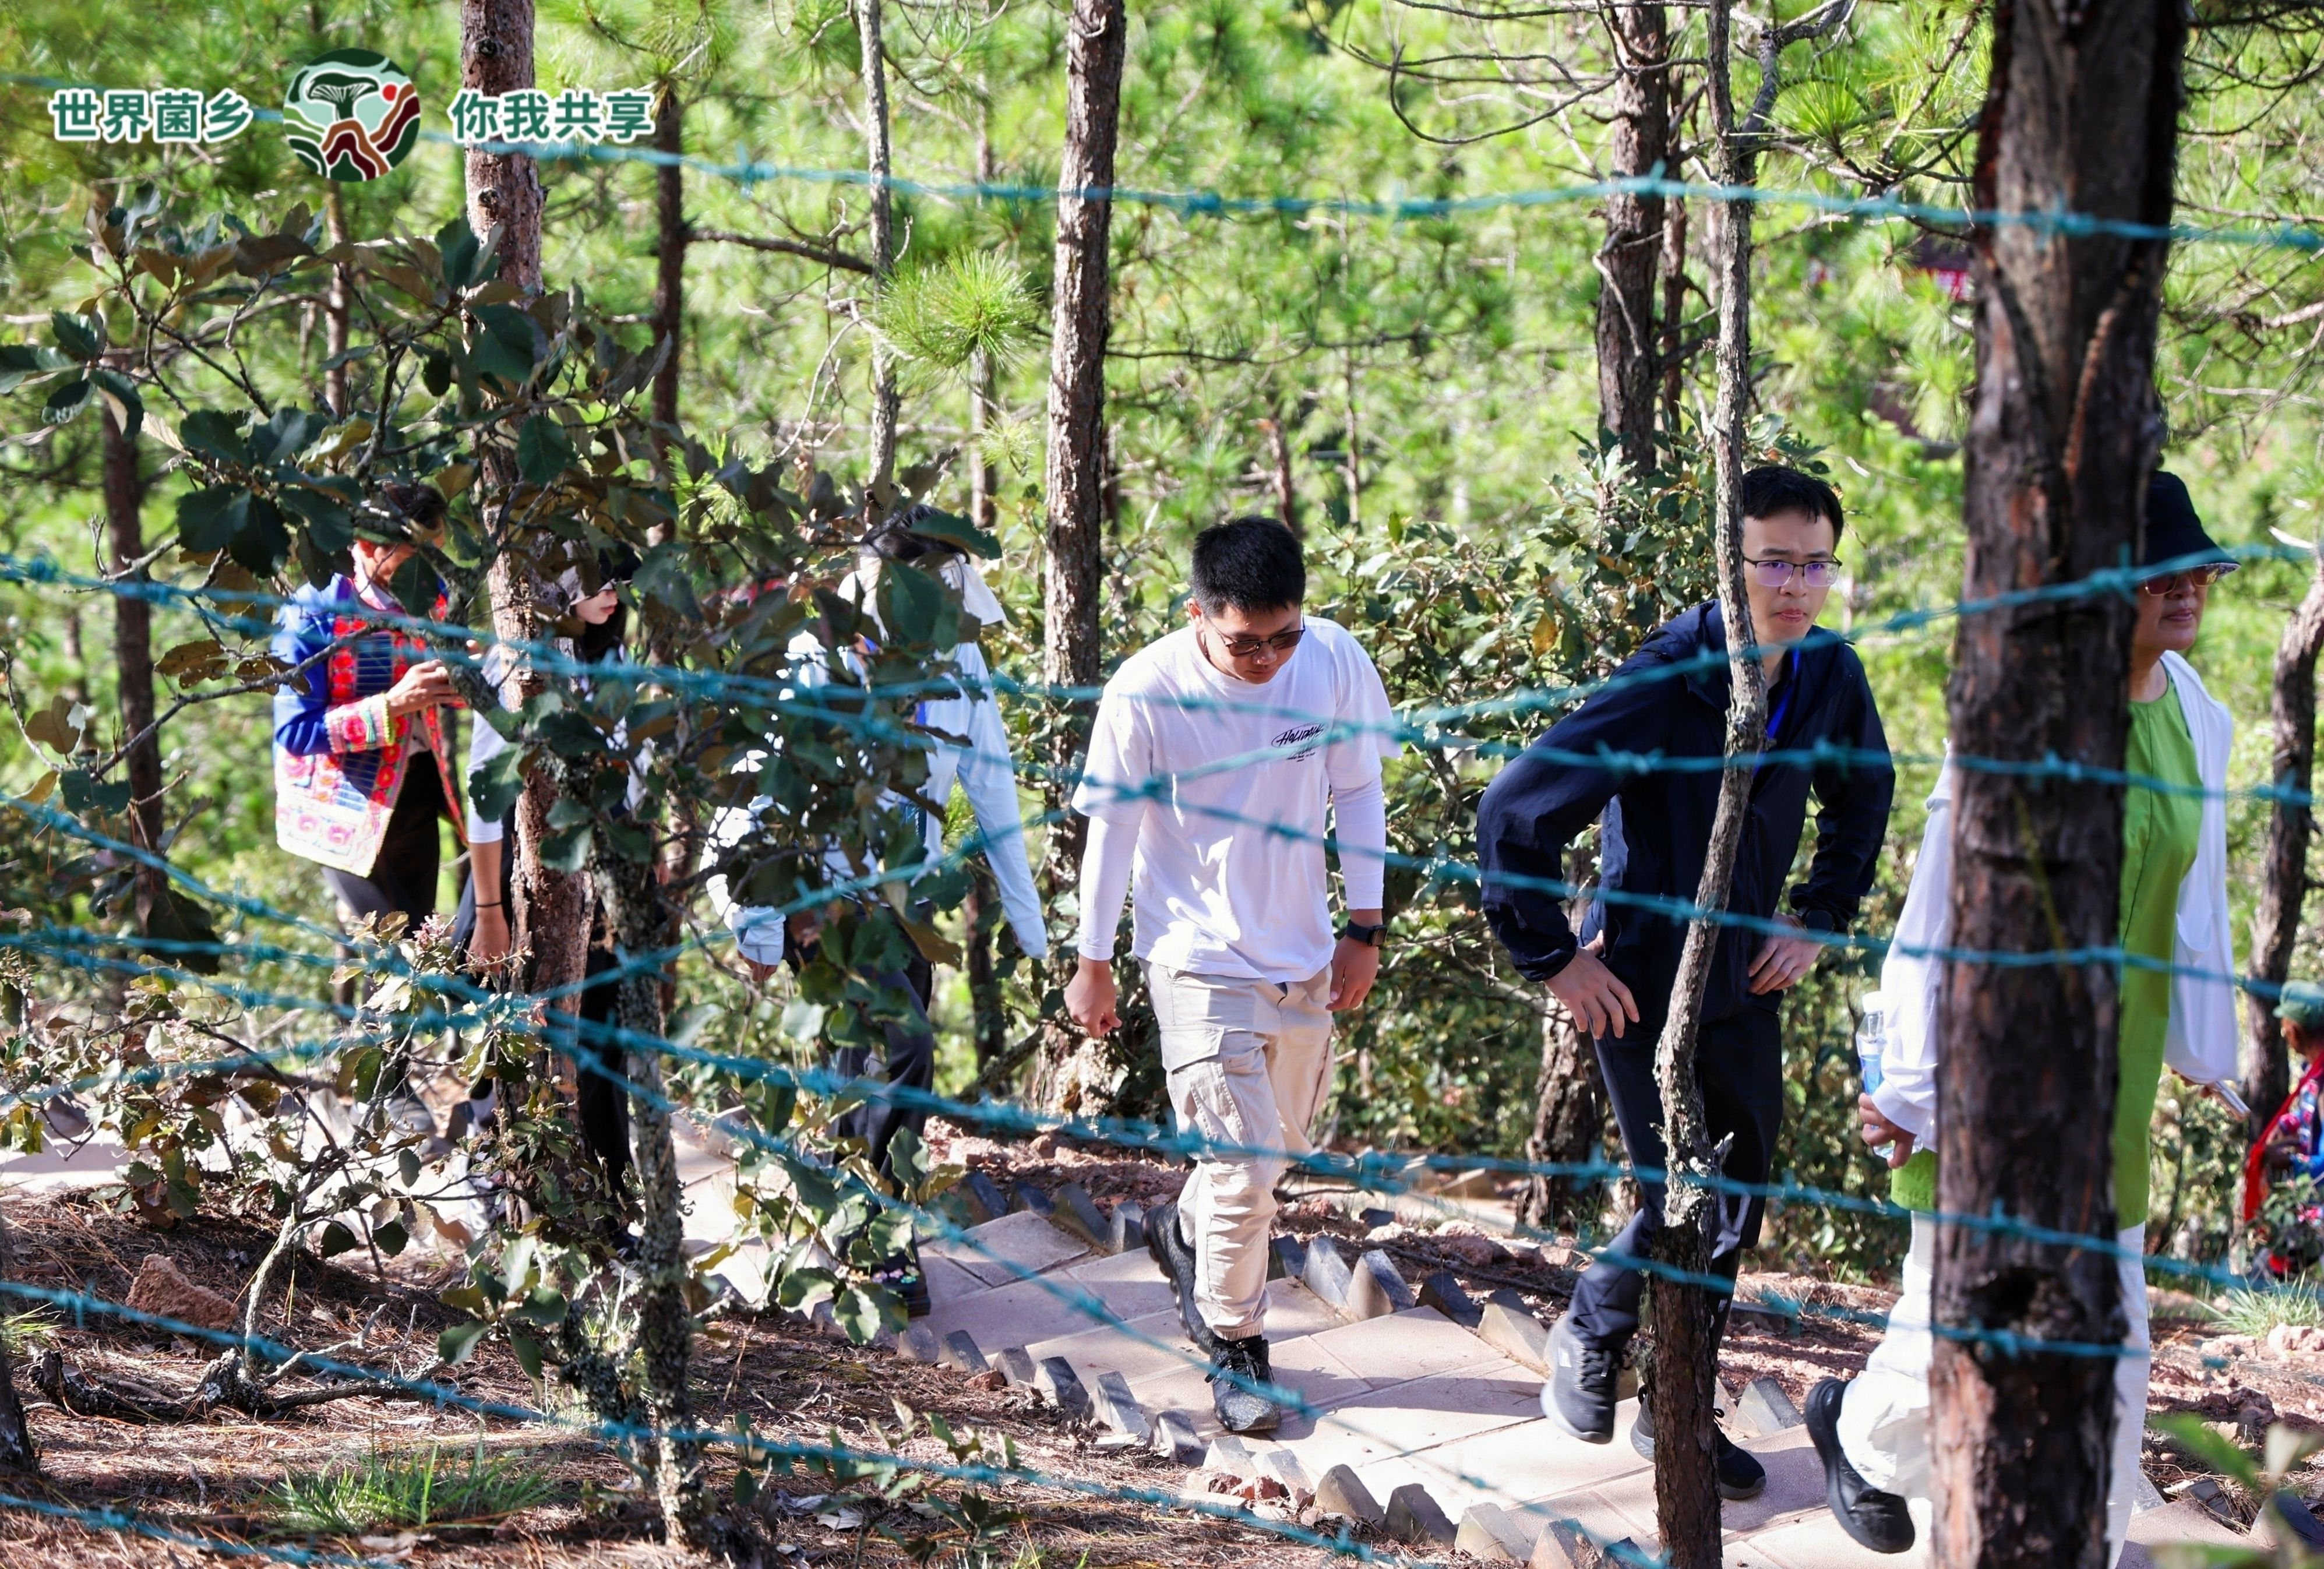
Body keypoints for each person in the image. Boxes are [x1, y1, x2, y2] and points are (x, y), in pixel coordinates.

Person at [1812, 470, 2242, 1560]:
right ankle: (1854, 1433)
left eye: (2198, 569)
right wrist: (1908, 1082)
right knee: (1946, 1338)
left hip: (2112, 1091)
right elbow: (1936, 903)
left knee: (2114, 1357)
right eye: (2160, 572)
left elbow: (2193, 901)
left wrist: (2204, 1045)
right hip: (1991, 1086)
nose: (2187, 588)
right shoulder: (2022, 718)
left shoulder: (2195, 717)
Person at [1475, 464, 1895, 1500]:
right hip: (1640, 977)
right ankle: (1617, 1354)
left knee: (1734, 1194)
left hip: (1745, 974)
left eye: (1814, 565)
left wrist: (1817, 917)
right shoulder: (1668, 676)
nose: (1794, 586)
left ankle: (1656, 1385)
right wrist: (1554, 957)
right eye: (1772, 562)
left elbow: (1863, 794)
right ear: (1728, 560)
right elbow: (1514, 811)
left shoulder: (1826, 673)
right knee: (1681, 1193)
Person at [1064, 516, 1397, 1434]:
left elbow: (1358, 790)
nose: (1267, 658)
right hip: (1194, 954)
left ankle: (1184, 1233)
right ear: (1198, 615)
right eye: (1246, 642)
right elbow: (1111, 833)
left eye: (1283, 636)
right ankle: (1235, 1343)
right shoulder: (1147, 690)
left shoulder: (1330, 660)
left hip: (1302, 952)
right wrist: (1094, 962)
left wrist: (1365, 928)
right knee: (1244, 1168)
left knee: (1270, 1154)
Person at [706, 507, 1048, 1311]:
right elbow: (752, 795)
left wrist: (1030, 922)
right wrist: (759, 924)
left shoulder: (959, 658)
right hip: (821, 897)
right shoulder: (817, 656)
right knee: (904, 1046)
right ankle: (884, 1241)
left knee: (862, 1059)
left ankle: (842, 1209)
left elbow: (990, 782)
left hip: (904, 897)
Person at [449, 551, 641, 1199]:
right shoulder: (513, 660)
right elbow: (486, 797)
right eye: (599, 579)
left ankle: (612, 1204)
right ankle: (496, 1180)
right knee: (511, 1027)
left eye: (620, 582)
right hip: (521, 870)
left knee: (604, 1037)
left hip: (601, 868)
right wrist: (489, 911)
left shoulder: (609, 653)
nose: (613, 593)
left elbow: (629, 775)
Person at [272, 480, 467, 938]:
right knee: (392, 952)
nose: (428, 568)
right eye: (414, 556)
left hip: (419, 791)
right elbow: (294, 731)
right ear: (364, 545)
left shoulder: (433, 595)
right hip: (342, 808)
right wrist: (393, 704)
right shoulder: (313, 610)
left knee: (413, 946)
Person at [2242, 983, 2324, 1281]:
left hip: (2318, 1213)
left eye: (2284, 1027)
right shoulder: (2313, 1073)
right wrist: (2286, 1125)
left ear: (2296, 1031)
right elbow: (2307, 1115)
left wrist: (2290, 1162)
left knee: (2263, 1277)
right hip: (2310, 1202)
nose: (2283, 1034)